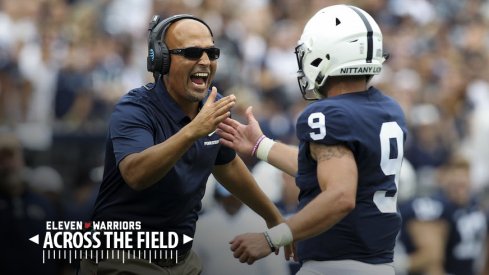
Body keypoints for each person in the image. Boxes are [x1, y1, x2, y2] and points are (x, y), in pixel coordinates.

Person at [80, 14, 283, 275]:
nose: (205, 61)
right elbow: (136, 174)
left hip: (181, 258)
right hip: (123, 256)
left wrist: (273, 217)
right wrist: (194, 131)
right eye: (192, 52)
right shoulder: (134, 109)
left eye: (211, 53)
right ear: (161, 60)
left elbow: (227, 165)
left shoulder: (211, 106)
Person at [218, 4, 407, 275]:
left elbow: (341, 195)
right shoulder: (387, 109)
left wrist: (272, 238)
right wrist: (262, 146)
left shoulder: (328, 113)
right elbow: (331, 168)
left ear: (326, 54)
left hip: (335, 267)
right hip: (380, 265)